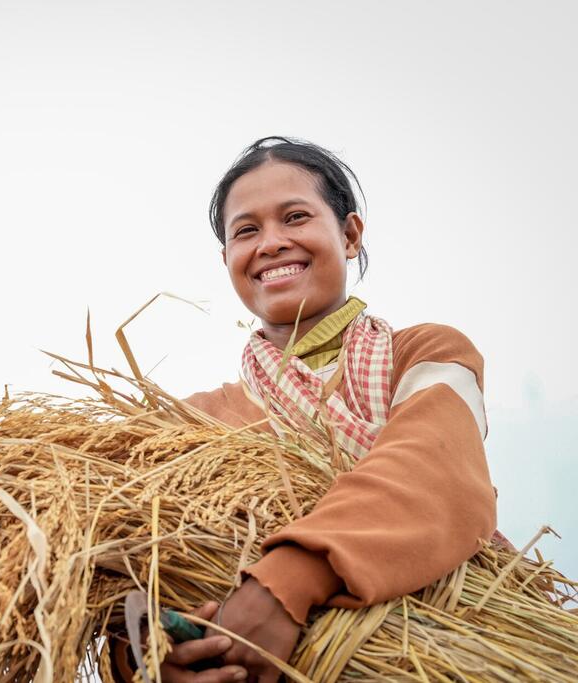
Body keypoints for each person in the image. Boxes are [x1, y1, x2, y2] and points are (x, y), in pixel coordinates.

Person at [111, 136, 500, 683]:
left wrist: (287, 581)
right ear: (228, 260)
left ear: (349, 234)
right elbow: (127, 559)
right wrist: (147, 658)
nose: (271, 243)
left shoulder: (427, 354)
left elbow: (435, 471)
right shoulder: (190, 421)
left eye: (295, 217)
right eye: (246, 231)